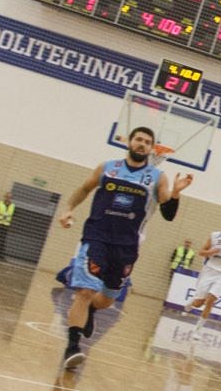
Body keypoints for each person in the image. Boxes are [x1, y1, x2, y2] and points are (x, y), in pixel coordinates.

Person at [56, 126, 190, 369]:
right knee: (85, 292)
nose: (142, 144)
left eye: (147, 142)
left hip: (127, 246)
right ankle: (72, 348)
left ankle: (93, 313)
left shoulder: (157, 177)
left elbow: (168, 214)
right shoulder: (107, 167)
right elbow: (85, 189)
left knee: (107, 299)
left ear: (152, 148)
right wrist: (68, 209)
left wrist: (176, 194)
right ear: (129, 142)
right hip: (96, 238)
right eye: (138, 139)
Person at [188, 215, 221, 327]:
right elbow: (201, 252)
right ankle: (192, 301)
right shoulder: (214, 236)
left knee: (210, 300)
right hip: (209, 270)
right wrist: (212, 252)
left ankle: (198, 329)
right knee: (198, 304)